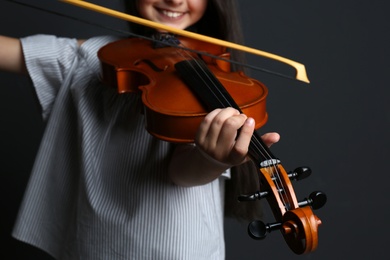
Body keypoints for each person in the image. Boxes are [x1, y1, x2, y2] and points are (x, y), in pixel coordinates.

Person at [1, 0, 280, 259]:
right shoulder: (88, 59)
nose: (174, 0)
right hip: (94, 245)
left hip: (178, 247)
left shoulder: (215, 67)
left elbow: (181, 171)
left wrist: (211, 159)